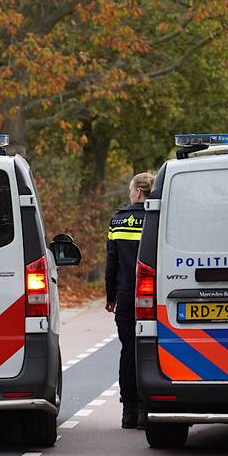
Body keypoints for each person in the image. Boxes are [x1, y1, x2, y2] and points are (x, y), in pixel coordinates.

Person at [105, 171, 154, 429]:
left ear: (136, 192)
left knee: (128, 350)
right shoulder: (158, 218)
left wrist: (110, 296)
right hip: (153, 297)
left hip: (126, 296)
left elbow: (111, 263)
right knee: (152, 351)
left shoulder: (118, 221)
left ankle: (129, 411)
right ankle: (148, 409)